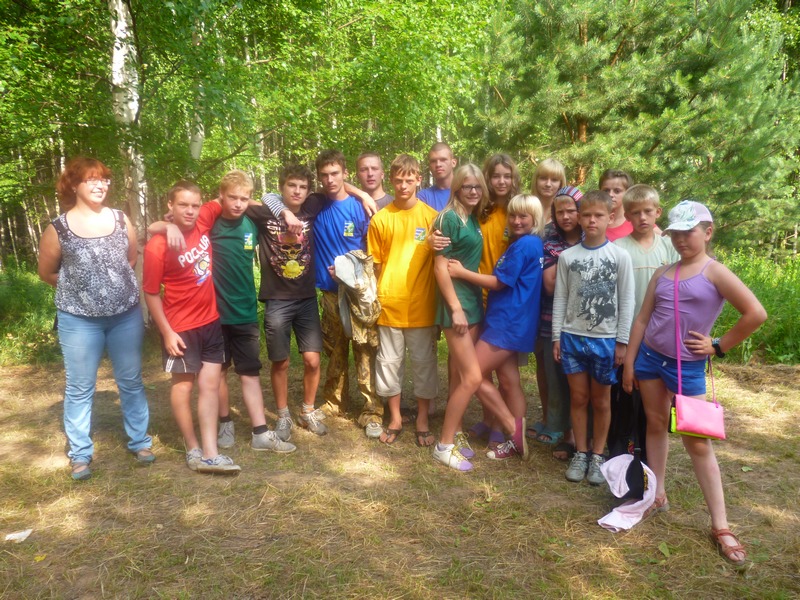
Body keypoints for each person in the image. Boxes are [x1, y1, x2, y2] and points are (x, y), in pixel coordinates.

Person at [623, 200, 766, 567]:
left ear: (707, 231)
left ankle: (721, 525)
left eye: (689, 232)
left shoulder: (715, 272)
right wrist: (631, 363)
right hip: (650, 360)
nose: (681, 240)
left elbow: (755, 313)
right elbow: (642, 319)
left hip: (687, 367)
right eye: (675, 233)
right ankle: (658, 495)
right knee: (655, 423)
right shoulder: (663, 272)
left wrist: (719, 345)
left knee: (697, 441)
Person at [155, 171, 297, 453]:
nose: (238, 203)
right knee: (218, 373)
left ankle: (260, 432)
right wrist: (164, 225)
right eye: (232, 197)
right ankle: (225, 423)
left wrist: (285, 213)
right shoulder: (209, 222)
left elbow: (270, 202)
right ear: (220, 196)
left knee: (250, 371)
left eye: (244, 198)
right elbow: (171, 224)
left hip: (245, 312)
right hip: (214, 315)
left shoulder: (252, 222)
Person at [37, 157, 154, 481]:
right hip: (78, 320)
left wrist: (110, 287)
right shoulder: (58, 228)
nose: (100, 185)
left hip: (125, 316)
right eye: (91, 179)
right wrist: (80, 289)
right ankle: (80, 454)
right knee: (79, 387)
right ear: (74, 185)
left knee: (130, 380)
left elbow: (130, 259)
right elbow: (46, 272)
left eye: (103, 179)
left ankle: (140, 442)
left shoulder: (120, 219)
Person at [143, 181, 240, 474]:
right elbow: (150, 292)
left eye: (194, 205)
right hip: (180, 328)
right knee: (184, 386)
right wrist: (167, 332)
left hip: (211, 321)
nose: (190, 211)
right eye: (183, 205)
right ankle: (193, 447)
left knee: (210, 385)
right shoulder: (157, 246)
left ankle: (211, 453)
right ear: (170, 206)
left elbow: (235, 197)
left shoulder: (204, 219)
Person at [446, 194, 544, 462]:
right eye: (513, 215)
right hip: (514, 322)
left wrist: (462, 273)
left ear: (535, 219)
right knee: (510, 381)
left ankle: (512, 430)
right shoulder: (531, 244)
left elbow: (499, 282)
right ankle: (514, 438)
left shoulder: (524, 245)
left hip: (507, 323)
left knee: (471, 374)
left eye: (523, 216)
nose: (516, 221)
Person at [552, 190, 634, 485]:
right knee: (578, 397)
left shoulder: (620, 256)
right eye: (586, 215)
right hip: (572, 337)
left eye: (598, 215)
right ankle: (581, 452)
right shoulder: (568, 257)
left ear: (610, 217)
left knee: (601, 400)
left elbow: (627, 300)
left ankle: (598, 455)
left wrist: (622, 341)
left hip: (605, 339)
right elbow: (561, 297)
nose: (591, 221)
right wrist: (557, 336)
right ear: (578, 218)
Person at [252, 164, 329, 438]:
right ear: (281, 187)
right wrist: (282, 210)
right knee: (281, 362)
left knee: (312, 360)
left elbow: (338, 187)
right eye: (291, 186)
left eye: (302, 187)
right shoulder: (265, 212)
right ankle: (283, 415)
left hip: (306, 298)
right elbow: (239, 200)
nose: (297, 191)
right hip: (277, 300)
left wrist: (365, 195)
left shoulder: (312, 206)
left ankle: (307, 410)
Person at [367, 154, 439, 446]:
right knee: (388, 364)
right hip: (389, 306)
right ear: (391, 180)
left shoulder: (433, 218)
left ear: (419, 179)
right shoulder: (380, 219)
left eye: (409, 180)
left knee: (424, 364)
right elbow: (375, 266)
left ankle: (422, 419)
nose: (404, 185)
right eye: (398, 180)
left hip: (423, 306)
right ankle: (395, 417)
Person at [607, 185, 679, 459]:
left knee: (654, 398)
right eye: (635, 213)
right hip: (627, 335)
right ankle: (619, 449)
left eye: (648, 211)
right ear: (626, 216)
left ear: (658, 212)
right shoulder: (618, 248)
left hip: (660, 338)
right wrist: (619, 339)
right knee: (624, 393)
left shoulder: (670, 247)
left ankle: (648, 452)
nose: (642, 218)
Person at [430, 164, 488, 470]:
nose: (473, 191)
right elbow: (440, 267)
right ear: (457, 188)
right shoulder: (448, 218)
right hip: (457, 305)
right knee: (473, 377)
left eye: (478, 186)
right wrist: (454, 308)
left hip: (473, 302)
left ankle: (457, 431)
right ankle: (444, 445)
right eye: (467, 186)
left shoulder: (473, 217)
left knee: (458, 374)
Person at [535, 186, 583, 456]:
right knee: (557, 379)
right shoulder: (548, 240)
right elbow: (550, 285)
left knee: (582, 381)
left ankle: (585, 437)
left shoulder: (592, 236)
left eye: (571, 211)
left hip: (586, 322)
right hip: (552, 319)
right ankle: (566, 435)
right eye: (559, 211)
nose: (565, 216)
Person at [529, 158, 568, 440]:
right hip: (531, 295)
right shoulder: (528, 208)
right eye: (544, 178)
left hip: (556, 297)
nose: (549, 184)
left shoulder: (565, 213)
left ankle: (562, 423)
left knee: (559, 363)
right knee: (541, 360)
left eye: (555, 179)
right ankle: (547, 416)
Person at [418, 142, 458, 211]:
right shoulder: (423, 197)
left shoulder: (467, 192)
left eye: (443, 160)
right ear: (429, 166)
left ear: (453, 163)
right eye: (433, 161)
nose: (438, 164)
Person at [599, 169, 634, 241]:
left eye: (617, 191)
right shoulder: (592, 220)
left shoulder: (636, 221)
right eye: (606, 190)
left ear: (627, 193)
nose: (610, 195)